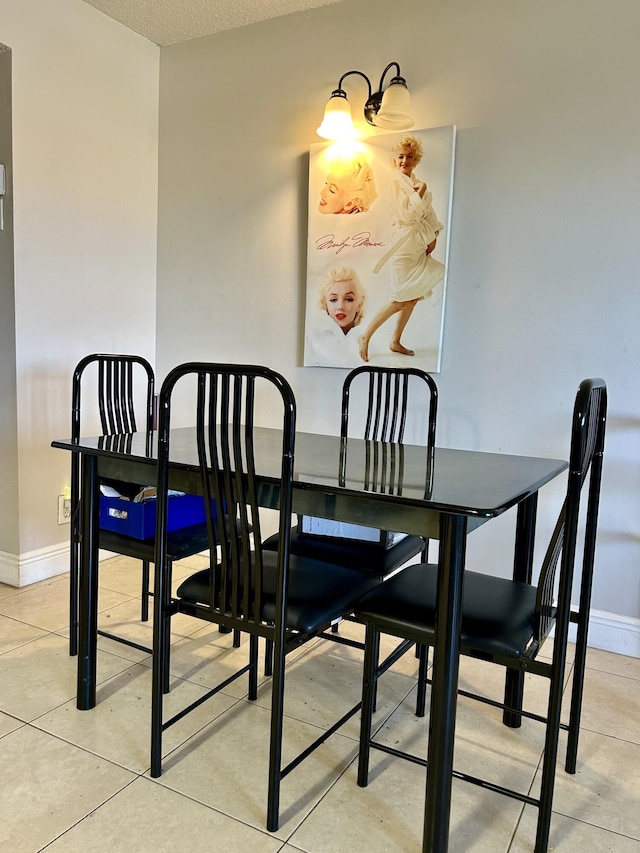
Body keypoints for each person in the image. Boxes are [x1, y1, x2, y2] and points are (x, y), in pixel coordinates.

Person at [358, 135, 445, 361]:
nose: (404, 160)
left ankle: (395, 341)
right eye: (400, 156)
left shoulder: (413, 180)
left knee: (413, 296)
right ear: (394, 160)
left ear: (415, 159)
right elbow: (408, 213)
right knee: (401, 298)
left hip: (418, 243)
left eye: (409, 156)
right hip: (403, 244)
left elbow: (428, 213)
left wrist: (434, 234)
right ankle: (365, 336)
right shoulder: (395, 183)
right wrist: (422, 190)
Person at [305, 268, 367, 367]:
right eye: (333, 300)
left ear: (358, 304)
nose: (340, 306)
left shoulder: (370, 337)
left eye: (348, 299)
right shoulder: (311, 338)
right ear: (325, 304)